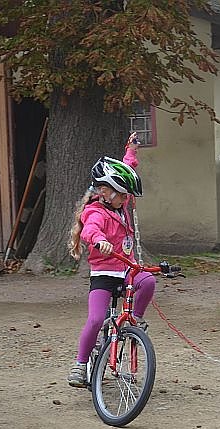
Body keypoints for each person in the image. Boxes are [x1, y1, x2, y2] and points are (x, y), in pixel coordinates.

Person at [66, 133, 156, 387]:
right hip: (104, 274)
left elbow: (126, 169)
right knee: (96, 319)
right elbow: (89, 230)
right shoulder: (96, 211)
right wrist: (99, 240)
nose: (127, 199)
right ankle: (80, 364)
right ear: (105, 192)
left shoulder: (120, 206)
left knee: (148, 281)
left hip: (126, 270)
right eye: (123, 196)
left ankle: (135, 320)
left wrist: (131, 151)